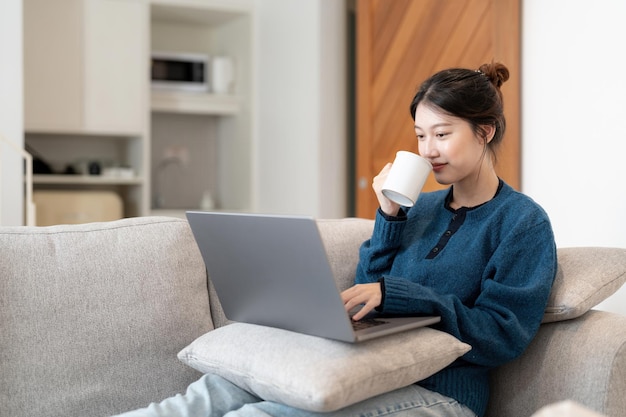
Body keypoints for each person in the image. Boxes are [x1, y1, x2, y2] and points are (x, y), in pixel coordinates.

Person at [115, 62, 557, 417]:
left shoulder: (522, 222)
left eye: (442, 135)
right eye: (421, 136)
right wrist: (389, 215)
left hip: (440, 393)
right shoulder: (418, 209)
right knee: (212, 393)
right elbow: (369, 288)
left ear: (486, 131)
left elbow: (502, 334)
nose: (427, 151)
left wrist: (401, 295)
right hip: (362, 367)